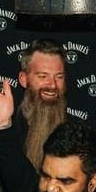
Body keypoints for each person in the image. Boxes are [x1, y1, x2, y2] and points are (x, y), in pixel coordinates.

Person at [16, 39, 70, 167]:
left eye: (59, 77)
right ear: (23, 79)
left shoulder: (76, 132)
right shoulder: (9, 130)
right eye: (42, 76)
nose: (52, 84)